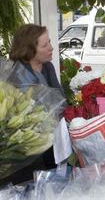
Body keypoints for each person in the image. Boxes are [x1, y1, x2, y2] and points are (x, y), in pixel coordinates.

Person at [5, 23, 65, 184]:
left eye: (50, 42)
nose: (51, 47)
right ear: (29, 50)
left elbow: (59, 100)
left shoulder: (48, 67)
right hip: (27, 151)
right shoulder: (16, 76)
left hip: (52, 141)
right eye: (45, 45)